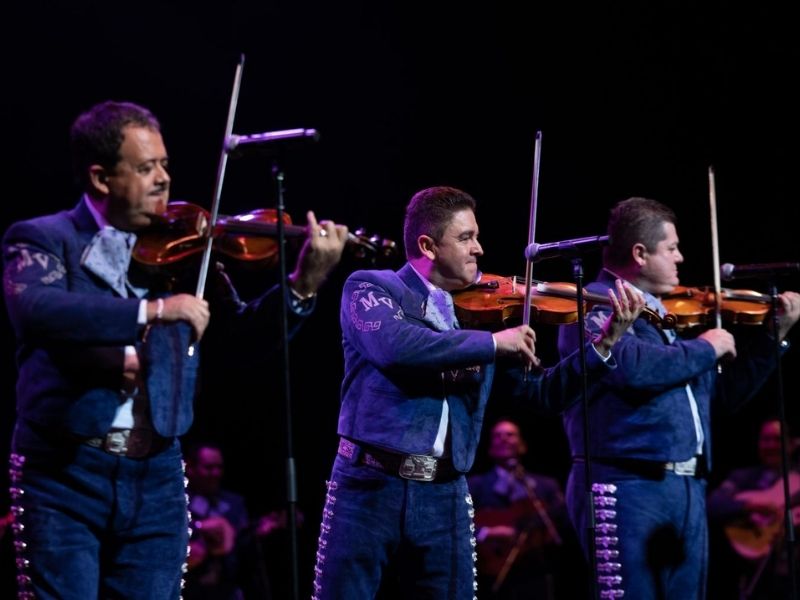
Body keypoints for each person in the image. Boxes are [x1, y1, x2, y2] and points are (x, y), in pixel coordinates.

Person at [1, 100, 347, 599]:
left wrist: (301, 284)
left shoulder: (187, 255)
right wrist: (153, 311)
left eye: (164, 163)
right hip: (65, 471)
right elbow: (36, 310)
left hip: (157, 472)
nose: (164, 179)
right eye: (145, 168)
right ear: (101, 178)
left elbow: (243, 341)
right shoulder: (45, 238)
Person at [310, 185, 646, 599]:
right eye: (466, 238)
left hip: (445, 494)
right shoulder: (371, 288)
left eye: (477, 236)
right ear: (428, 246)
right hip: (369, 486)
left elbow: (540, 395)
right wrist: (492, 343)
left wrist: (604, 344)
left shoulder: (484, 314)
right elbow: (395, 347)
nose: (480, 249)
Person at [557, 196, 800, 599]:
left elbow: (720, 397)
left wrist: (773, 339)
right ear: (639, 253)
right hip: (628, 483)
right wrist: (705, 348)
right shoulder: (594, 304)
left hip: (685, 486)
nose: (681, 258)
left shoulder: (663, 316)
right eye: (671, 248)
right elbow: (632, 368)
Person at [468, 417, 585, 600]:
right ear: (490, 445)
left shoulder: (545, 486)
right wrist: (487, 532)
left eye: (510, 434)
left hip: (534, 571)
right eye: (498, 435)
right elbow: (459, 526)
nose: (504, 439)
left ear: (521, 443)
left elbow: (562, 525)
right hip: (489, 571)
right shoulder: (475, 485)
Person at [708, 417, 800, 599]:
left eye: (777, 439)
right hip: (747, 572)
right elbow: (713, 504)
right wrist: (751, 506)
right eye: (765, 439)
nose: (771, 445)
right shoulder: (742, 478)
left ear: (791, 444)